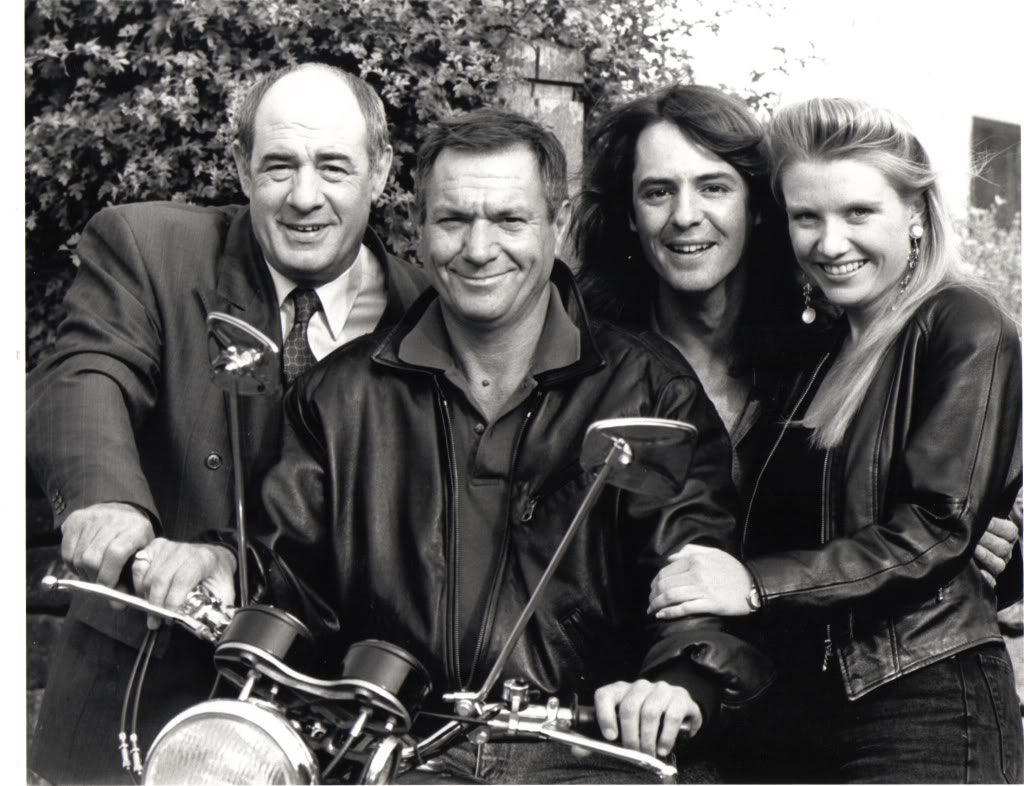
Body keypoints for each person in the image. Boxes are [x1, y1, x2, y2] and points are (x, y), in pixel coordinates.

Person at [132, 107, 773, 784]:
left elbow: (692, 579)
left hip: (586, 751)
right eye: (453, 219)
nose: (478, 248)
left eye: (509, 220)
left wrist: (677, 683)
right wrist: (222, 562)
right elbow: (286, 571)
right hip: (395, 750)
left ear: (557, 225)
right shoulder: (337, 397)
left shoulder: (650, 391)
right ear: (416, 226)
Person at [27, 63, 429, 785]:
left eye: (334, 166)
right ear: (242, 169)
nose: (304, 196)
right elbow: (88, 371)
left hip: (326, 729)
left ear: (381, 171)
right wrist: (105, 499)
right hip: (139, 705)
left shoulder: (428, 315)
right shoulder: (149, 246)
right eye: (279, 165)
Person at [648, 97, 1023, 782]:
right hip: (798, 709)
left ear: (915, 212)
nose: (829, 243)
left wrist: (755, 586)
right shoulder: (813, 356)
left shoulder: (962, 324)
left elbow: (938, 527)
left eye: (858, 212)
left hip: (924, 701)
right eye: (806, 217)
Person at [572, 83, 1018, 596]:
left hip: (799, 637)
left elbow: (919, 527)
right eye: (658, 192)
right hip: (651, 641)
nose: (685, 215)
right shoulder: (588, 366)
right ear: (629, 213)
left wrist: (983, 541)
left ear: (759, 207)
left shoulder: (814, 349)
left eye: (714, 187)